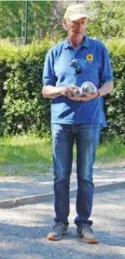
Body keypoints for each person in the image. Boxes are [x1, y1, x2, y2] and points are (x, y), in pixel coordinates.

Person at [42, 4, 113, 244]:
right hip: (61, 121)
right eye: (74, 21)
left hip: (89, 121)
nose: (79, 25)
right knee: (60, 176)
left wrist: (96, 94)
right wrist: (62, 89)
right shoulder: (55, 52)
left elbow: (109, 83)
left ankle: (84, 224)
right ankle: (60, 222)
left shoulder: (98, 49)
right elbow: (46, 89)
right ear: (65, 23)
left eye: (82, 21)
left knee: (85, 175)